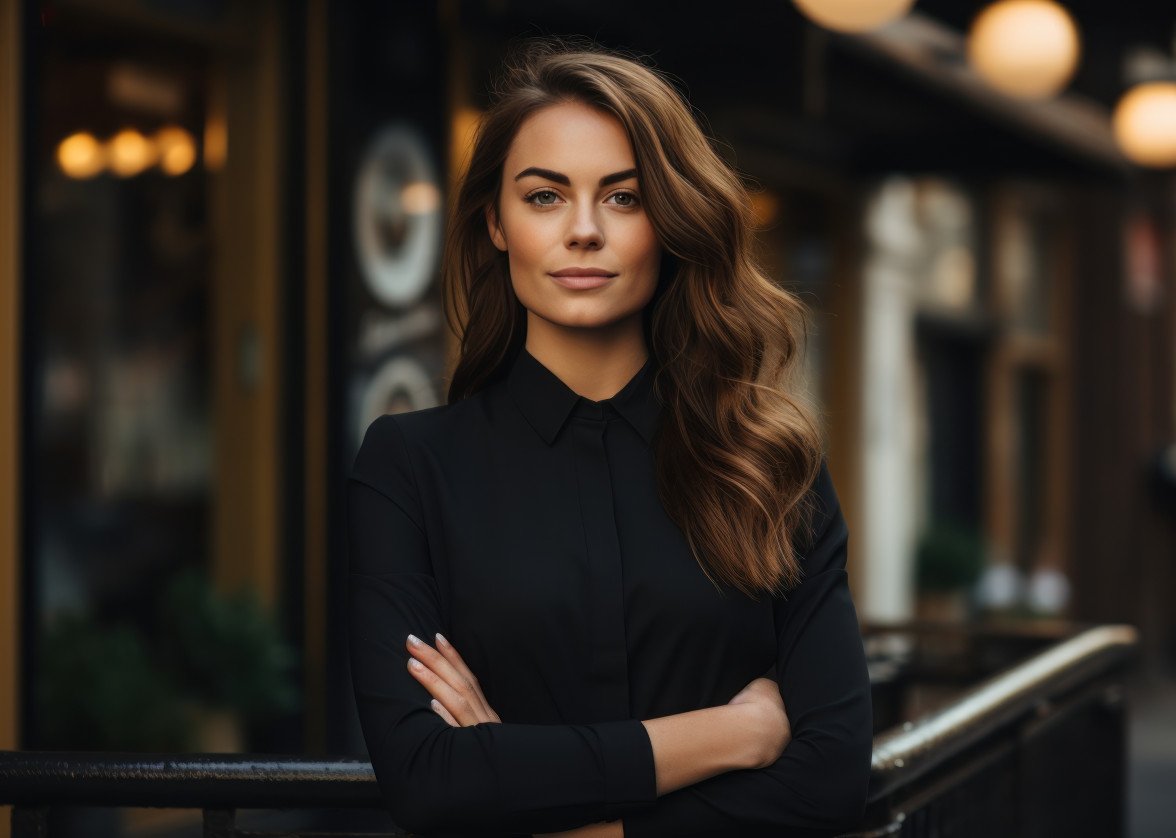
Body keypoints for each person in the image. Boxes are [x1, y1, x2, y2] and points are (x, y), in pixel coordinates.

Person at [347, 36, 872, 838]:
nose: (584, 230)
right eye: (545, 196)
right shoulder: (410, 466)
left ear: (670, 224)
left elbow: (831, 779)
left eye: (624, 198)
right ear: (495, 222)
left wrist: (549, 805)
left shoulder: (770, 465)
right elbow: (429, 779)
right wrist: (737, 734)